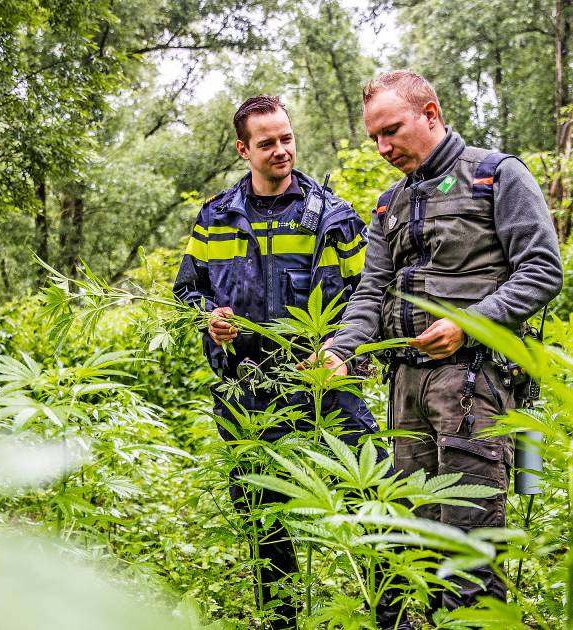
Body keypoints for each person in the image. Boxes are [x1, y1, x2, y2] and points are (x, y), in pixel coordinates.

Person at [317, 70, 563, 612]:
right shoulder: (388, 204)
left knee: (470, 550)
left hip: (472, 386)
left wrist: (469, 323)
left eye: (392, 130)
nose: (383, 147)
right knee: (419, 546)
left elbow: (543, 270)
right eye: (375, 137)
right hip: (405, 389)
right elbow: (370, 293)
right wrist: (340, 347)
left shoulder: (497, 175)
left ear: (430, 113)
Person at [172, 95, 408, 630]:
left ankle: (390, 619)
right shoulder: (214, 219)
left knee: (372, 498)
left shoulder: (333, 214)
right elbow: (188, 291)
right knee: (264, 517)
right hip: (247, 390)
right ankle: (280, 620)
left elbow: (366, 296)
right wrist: (210, 317)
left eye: (287, 138)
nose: (281, 150)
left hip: (322, 385)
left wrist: (345, 356)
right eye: (267, 143)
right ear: (242, 149)